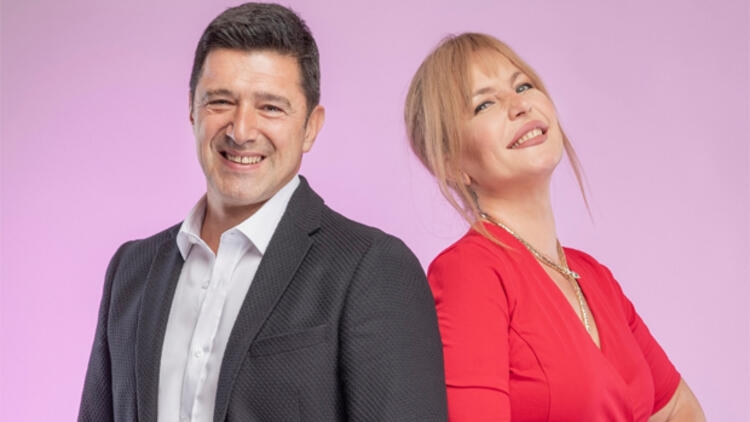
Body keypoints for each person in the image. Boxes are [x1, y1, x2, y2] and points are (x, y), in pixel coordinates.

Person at [78, 3, 448, 421]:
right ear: (192, 110)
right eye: (220, 101)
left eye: (270, 107)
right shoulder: (132, 270)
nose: (241, 131)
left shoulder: (372, 268)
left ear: (310, 127)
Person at [404, 33, 705, 421]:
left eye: (523, 85)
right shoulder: (469, 272)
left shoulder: (594, 277)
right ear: (451, 164)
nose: (520, 105)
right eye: (484, 104)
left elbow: (682, 409)